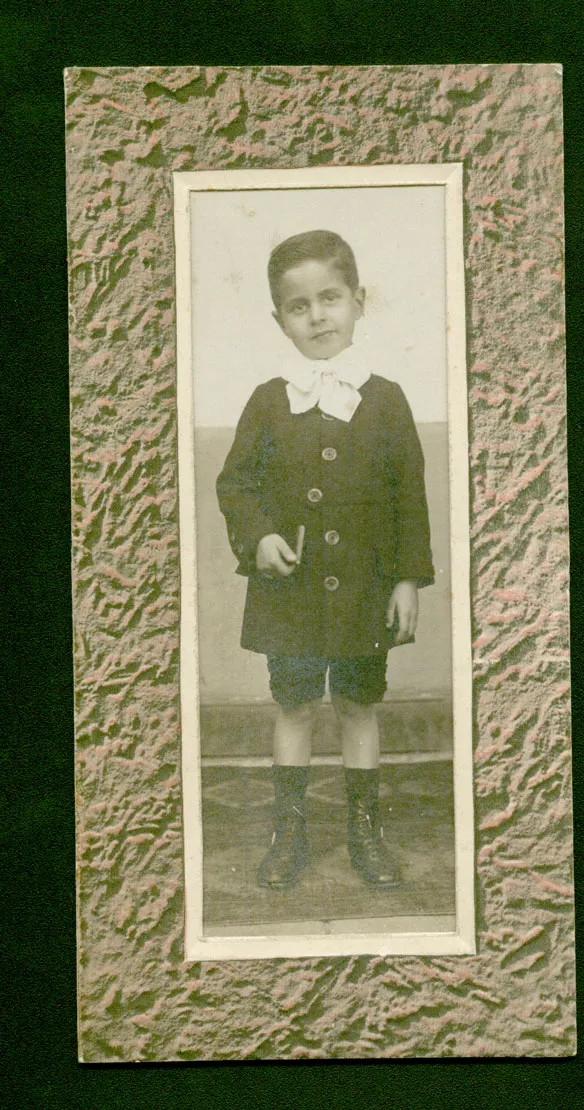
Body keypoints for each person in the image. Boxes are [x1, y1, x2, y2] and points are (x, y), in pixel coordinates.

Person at [216, 230, 434, 891]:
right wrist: (258, 538)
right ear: (279, 319)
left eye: (330, 298)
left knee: (359, 704)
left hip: (366, 589)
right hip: (291, 593)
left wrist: (406, 580)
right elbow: (236, 484)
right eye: (299, 306)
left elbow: (408, 494)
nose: (317, 316)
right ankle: (289, 831)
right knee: (295, 705)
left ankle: (365, 831)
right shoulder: (268, 399)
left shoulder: (387, 398)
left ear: (359, 301)